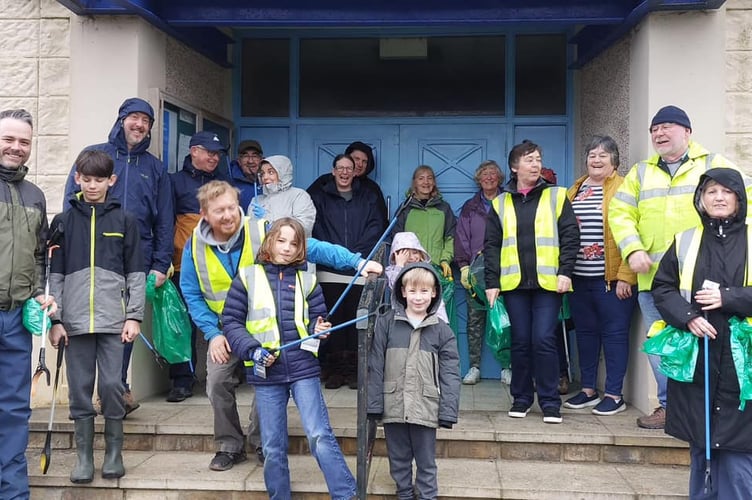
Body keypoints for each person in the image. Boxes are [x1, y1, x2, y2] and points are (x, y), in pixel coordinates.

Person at [180, 180, 381, 472]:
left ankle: (264, 443)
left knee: (268, 383)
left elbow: (310, 246)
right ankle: (229, 445)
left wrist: (356, 262)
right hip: (226, 328)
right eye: (219, 210)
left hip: (266, 328)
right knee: (217, 382)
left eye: (232, 207)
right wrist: (212, 334)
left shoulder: (261, 229)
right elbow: (191, 292)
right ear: (204, 214)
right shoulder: (194, 246)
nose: (228, 215)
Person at [609, 105, 745, 430]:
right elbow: (620, 213)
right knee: (664, 347)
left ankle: (716, 409)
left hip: (712, 279)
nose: (659, 133)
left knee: (719, 343)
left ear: (687, 132)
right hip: (657, 281)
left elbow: (745, 200)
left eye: (668, 126)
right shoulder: (641, 172)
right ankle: (669, 407)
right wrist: (633, 250)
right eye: (655, 129)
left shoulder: (714, 164)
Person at [222, 217, 357, 500]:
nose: (286, 247)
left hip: (303, 368)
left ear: (300, 249)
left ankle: (346, 495)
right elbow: (231, 322)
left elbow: (315, 325)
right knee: (272, 446)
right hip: (265, 372)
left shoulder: (308, 280)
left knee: (319, 436)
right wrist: (253, 350)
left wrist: (319, 330)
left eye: (293, 243)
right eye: (281, 240)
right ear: (269, 242)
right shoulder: (247, 276)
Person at [64, 97, 173, 414]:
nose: (139, 125)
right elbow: (71, 202)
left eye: (146, 121)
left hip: (138, 258)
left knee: (126, 322)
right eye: (134, 118)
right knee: (89, 321)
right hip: (92, 255)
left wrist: (161, 263)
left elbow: (165, 219)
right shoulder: (97, 156)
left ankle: (116, 388)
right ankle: (88, 395)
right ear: (121, 119)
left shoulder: (155, 168)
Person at [652, 168, 752, 499]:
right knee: (702, 447)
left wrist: (729, 297)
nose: (718, 197)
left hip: (743, 369)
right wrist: (688, 317)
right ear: (701, 199)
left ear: (739, 198)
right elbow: (662, 288)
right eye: (711, 191)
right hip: (700, 363)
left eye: (726, 191)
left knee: (739, 454)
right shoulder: (685, 240)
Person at [48, 150, 145, 483]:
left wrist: (134, 316)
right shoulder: (62, 221)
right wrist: (55, 320)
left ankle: (114, 455)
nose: (92, 186)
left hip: (113, 320)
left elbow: (136, 272)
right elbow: (55, 274)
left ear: (111, 181)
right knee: (79, 388)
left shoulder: (125, 220)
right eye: (86, 179)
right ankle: (84, 458)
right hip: (73, 323)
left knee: (111, 384)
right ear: (77, 178)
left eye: (99, 180)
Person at [484, 140, 579, 424]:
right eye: (529, 160)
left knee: (544, 340)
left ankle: (550, 402)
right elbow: (491, 245)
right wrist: (491, 282)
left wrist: (566, 271)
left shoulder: (557, 196)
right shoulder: (500, 202)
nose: (535, 164)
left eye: (538, 159)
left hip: (548, 283)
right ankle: (521, 399)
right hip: (514, 285)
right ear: (515, 167)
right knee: (521, 342)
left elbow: (571, 237)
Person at [368, 263, 461, 500]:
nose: (418, 298)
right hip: (394, 403)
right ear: (402, 292)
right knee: (398, 458)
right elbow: (375, 365)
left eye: (424, 292)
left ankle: (427, 496)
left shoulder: (442, 330)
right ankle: (404, 494)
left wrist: (448, 410)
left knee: (426, 460)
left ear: (434, 293)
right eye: (413, 291)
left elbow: (450, 372)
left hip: (425, 405)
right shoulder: (387, 323)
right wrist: (374, 403)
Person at [0, 108, 55, 500]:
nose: (16, 148)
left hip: (17, 320)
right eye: (9, 139)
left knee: (14, 413)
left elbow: (39, 256)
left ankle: (14, 494)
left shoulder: (34, 194)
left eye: (24, 142)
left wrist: (39, 292)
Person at [564, 136, 637, 416]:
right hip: (579, 278)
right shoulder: (576, 189)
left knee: (615, 335)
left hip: (612, 280)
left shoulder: (624, 188)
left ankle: (614, 394)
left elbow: (633, 232)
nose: (596, 159)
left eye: (603, 155)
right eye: (592, 154)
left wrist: (626, 276)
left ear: (614, 161)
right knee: (585, 334)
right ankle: (588, 390)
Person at [308, 153, 387, 389]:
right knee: (332, 321)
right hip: (328, 271)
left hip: (359, 271)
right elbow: (316, 229)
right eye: (340, 168)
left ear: (355, 172)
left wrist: (355, 258)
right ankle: (333, 370)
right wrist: (335, 256)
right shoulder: (319, 197)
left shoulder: (368, 197)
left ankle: (355, 371)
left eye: (348, 168)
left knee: (355, 322)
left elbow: (376, 227)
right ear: (333, 171)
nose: (344, 172)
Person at [168, 130, 229, 403]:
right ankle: (181, 380)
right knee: (182, 325)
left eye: (217, 154)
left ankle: (232, 374)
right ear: (194, 151)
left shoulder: (224, 183)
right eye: (209, 152)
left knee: (230, 321)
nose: (214, 158)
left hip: (220, 266)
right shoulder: (174, 182)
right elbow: (165, 223)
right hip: (185, 264)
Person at [455, 160, 504, 385]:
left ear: (499, 178)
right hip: (475, 272)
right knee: (475, 321)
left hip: (505, 270)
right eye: (484, 174)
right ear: (478, 179)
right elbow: (461, 236)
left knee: (504, 319)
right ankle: (473, 366)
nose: (489, 178)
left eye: (493, 174)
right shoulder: (470, 207)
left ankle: (507, 366)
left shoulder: (508, 201)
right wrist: (464, 266)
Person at [394, 165, 456, 283]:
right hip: (411, 268)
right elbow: (397, 239)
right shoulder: (405, 208)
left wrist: (444, 260)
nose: (426, 182)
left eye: (430, 178)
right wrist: (405, 261)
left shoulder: (443, 208)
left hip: (437, 267)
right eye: (421, 178)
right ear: (414, 183)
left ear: (434, 182)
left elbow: (450, 237)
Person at [308, 141, 388, 225]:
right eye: (356, 159)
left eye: (364, 161)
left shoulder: (372, 188)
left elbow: (380, 221)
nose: (360, 164)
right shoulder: (324, 182)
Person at [386, 232, 449, 323]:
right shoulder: (391, 271)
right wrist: (399, 266)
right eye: (405, 254)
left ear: (421, 254)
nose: (411, 257)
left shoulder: (427, 272)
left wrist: (442, 322)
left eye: (415, 252)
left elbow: (438, 303)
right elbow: (394, 287)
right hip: (401, 322)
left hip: (427, 320)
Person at [248, 155, 316, 236]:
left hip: (290, 248)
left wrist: (267, 218)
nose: (265, 177)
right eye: (262, 174)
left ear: (283, 173)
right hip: (261, 248)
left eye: (271, 172)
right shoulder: (256, 200)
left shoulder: (299, 196)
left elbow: (303, 228)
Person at [228, 139, 263, 210]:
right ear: (239, 161)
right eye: (245, 156)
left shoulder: (270, 179)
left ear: (261, 160)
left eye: (254, 156)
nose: (250, 161)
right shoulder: (228, 181)